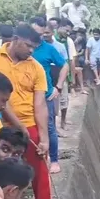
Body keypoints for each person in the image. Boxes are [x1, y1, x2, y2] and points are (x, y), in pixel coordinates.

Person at [0, 24, 55, 199]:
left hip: (29, 123)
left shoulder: (36, 67)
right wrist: (18, 125)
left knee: (39, 168)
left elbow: (39, 104)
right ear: (14, 39)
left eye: (34, 48)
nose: (31, 51)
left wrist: (44, 137)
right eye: (28, 45)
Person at [30, 16, 69, 174]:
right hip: (25, 95)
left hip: (45, 95)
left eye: (41, 34)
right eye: (34, 33)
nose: (37, 37)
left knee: (49, 127)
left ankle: (53, 160)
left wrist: (58, 87)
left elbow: (64, 65)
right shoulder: (23, 49)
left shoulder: (49, 48)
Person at [53, 18, 77, 131]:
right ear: (59, 27)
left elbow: (71, 60)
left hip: (64, 75)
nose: (68, 34)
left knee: (64, 100)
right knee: (52, 103)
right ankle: (54, 126)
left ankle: (63, 122)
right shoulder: (51, 41)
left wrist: (72, 77)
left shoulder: (68, 42)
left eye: (69, 32)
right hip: (52, 76)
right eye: (66, 31)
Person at [71, 27, 88, 94]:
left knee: (80, 63)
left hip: (77, 55)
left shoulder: (83, 40)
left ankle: (82, 88)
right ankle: (73, 87)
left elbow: (82, 51)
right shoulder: (71, 40)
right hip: (70, 58)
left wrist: (77, 55)